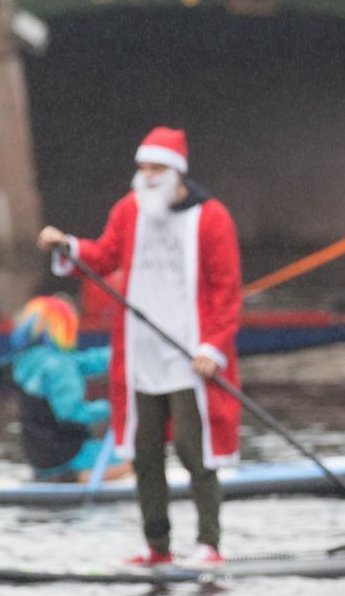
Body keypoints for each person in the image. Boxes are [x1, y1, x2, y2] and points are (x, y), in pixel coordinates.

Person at [37, 127, 242, 564]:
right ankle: (158, 546)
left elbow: (227, 290)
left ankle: (208, 543)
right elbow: (105, 255)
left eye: (157, 168)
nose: (147, 176)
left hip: (190, 357)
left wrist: (214, 347)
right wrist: (68, 246)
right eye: (143, 168)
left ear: (176, 172)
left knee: (193, 447)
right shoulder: (129, 211)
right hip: (141, 356)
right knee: (144, 452)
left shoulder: (212, 218)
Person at [6, 295, 130, 484]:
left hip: (39, 456)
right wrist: (112, 408)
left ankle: (59, 476)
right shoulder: (59, 367)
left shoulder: (26, 361)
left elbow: (86, 362)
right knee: (134, 458)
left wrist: (124, 354)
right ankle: (76, 478)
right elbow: (71, 413)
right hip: (67, 453)